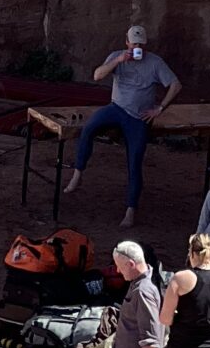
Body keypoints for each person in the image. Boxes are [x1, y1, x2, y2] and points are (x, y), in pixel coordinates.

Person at [65, 25, 181, 227]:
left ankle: (130, 210)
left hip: (138, 116)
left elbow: (175, 85)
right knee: (89, 128)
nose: (138, 48)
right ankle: (78, 173)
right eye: (134, 44)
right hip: (116, 107)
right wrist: (118, 60)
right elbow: (97, 75)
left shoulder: (155, 62)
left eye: (141, 45)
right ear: (127, 42)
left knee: (134, 160)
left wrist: (160, 108)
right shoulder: (117, 56)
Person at [108, 241, 165, 348]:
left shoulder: (143, 292)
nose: (118, 271)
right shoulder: (140, 280)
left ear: (131, 264)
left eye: (119, 266)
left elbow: (152, 341)